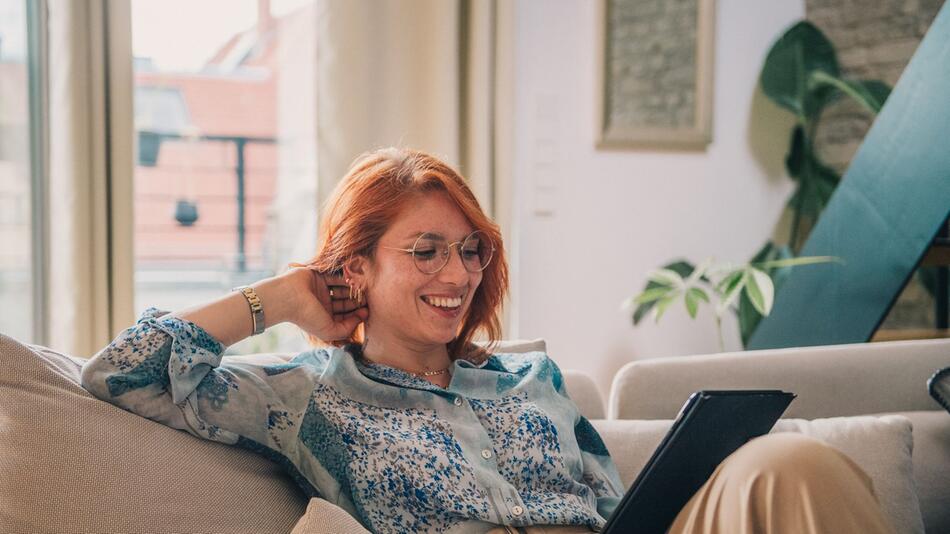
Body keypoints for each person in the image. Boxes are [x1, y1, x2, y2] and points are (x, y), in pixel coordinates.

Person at [82, 148, 894, 534]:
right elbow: (119, 374)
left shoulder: (531, 382)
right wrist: (286, 296)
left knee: (789, 462)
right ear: (354, 267)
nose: (458, 273)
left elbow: (614, 509)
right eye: (424, 251)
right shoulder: (307, 394)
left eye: (470, 249)